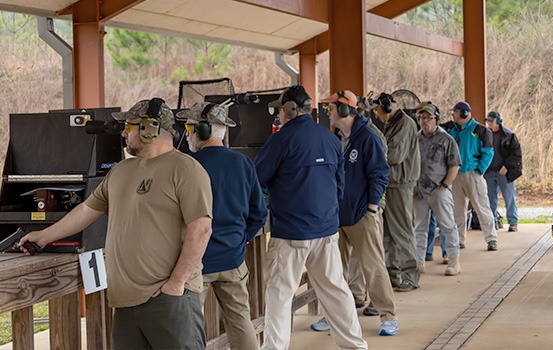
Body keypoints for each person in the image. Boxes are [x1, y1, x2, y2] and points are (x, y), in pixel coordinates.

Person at [20, 98, 213, 349]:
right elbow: (86, 210)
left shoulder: (185, 169)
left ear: (149, 128)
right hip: (125, 303)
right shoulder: (121, 170)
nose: (124, 132)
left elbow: (202, 229)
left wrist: (175, 284)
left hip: (168, 300)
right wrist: (44, 236)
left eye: (129, 127)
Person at [255, 85, 367, 350]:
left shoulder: (281, 139)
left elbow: (256, 179)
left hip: (291, 233)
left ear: (290, 110)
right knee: (336, 292)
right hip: (327, 231)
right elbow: (340, 184)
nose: (279, 115)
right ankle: (355, 346)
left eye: (280, 110)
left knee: (280, 295)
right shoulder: (330, 138)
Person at [179, 101, 268, 350]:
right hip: (233, 259)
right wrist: (240, 240)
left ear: (203, 131)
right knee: (241, 323)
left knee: (188, 328)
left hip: (197, 264)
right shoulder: (243, 164)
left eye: (189, 127)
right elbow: (258, 214)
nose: (187, 133)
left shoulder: (188, 167)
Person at [310, 90, 398, 336]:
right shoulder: (335, 138)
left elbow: (380, 173)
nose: (329, 113)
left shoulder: (368, 138)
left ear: (346, 110)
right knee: (334, 270)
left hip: (361, 214)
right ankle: (334, 315)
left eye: (332, 108)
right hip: (336, 215)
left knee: (373, 267)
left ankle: (388, 315)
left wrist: (372, 206)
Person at [373, 92, 421, 292]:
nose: (376, 115)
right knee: (388, 235)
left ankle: (410, 275)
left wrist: (373, 150)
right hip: (391, 183)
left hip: (400, 184)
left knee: (402, 231)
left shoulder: (405, 124)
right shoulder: (393, 123)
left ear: (386, 108)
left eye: (377, 111)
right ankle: (393, 274)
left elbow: (394, 155)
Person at [440, 101, 498, 251]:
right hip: (455, 174)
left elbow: (488, 152)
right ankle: (459, 240)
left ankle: (491, 239)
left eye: (455, 112)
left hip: (473, 173)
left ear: (464, 113)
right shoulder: (449, 128)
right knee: (457, 210)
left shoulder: (481, 130)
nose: (453, 114)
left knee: (482, 207)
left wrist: (479, 171)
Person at [412, 102, 462, 276]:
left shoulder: (446, 139)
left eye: (428, 118)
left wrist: (445, 185)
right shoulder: (415, 138)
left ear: (436, 120)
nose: (425, 121)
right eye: (421, 118)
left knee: (447, 225)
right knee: (419, 228)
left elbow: (454, 165)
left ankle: (454, 260)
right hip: (419, 191)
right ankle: (418, 262)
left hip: (439, 190)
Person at [484, 111, 522, 232]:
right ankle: (493, 222)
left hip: (504, 172)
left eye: (491, 120)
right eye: (488, 120)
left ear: (498, 121)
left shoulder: (509, 135)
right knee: (490, 199)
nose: (488, 123)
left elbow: (516, 154)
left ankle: (513, 222)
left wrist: (507, 166)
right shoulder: (485, 134)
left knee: (509, 198)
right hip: (489, 171)